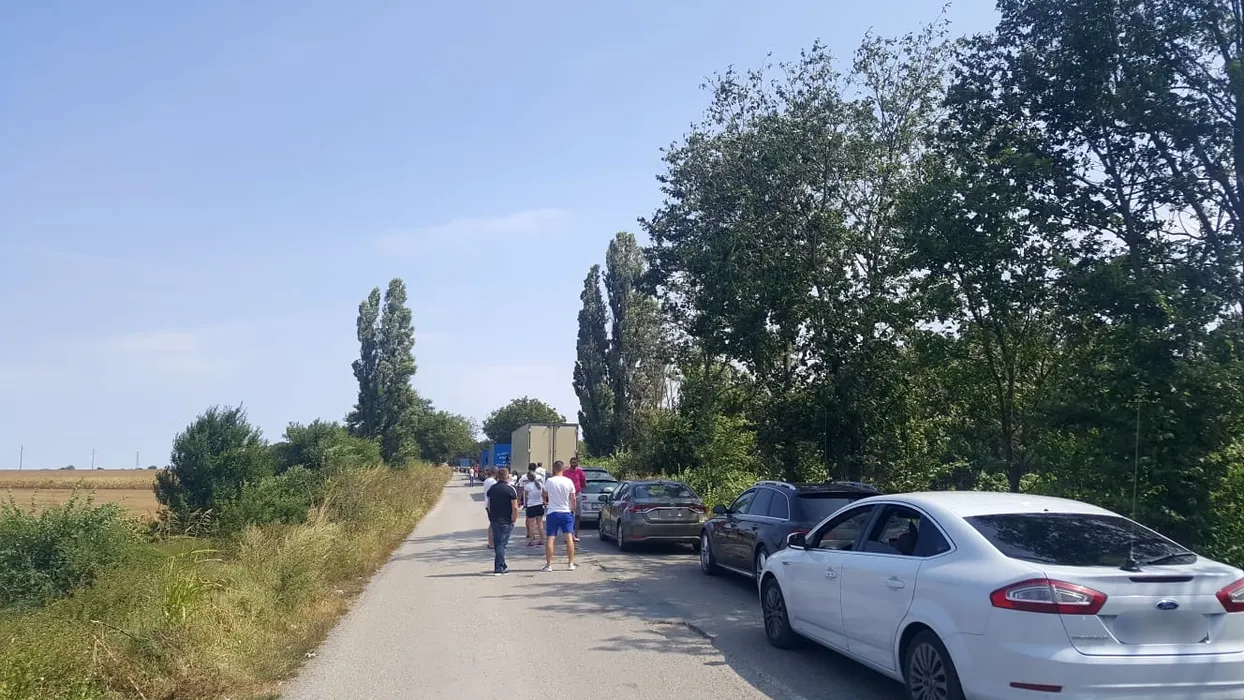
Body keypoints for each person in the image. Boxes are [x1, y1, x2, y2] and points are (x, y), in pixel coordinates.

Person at [541, 461, 577, 572]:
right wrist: (573, 509)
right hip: (566, 512)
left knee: (550, 538)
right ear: (563, 469)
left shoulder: (549, 481)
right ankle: (570, 564)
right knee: (569, 537)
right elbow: (573, 498)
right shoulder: (568, 481)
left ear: (553, 469)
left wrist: (545, 501)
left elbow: (544, 493)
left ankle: (548, 565)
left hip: (552, 512)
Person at [485, 468, 519, 575]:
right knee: (502, 544)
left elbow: (489, 505)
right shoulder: (510, 489)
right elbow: (515, 507)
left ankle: (502, 563)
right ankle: (498, 567)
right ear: (507, 477)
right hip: (506, 520)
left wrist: (491, 516)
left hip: (495, 519)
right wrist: (514, 518)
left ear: (498, 476)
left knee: (498, 542)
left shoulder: (492, 489)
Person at [563, 456, 588, 542]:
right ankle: (568, 535)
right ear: (570, 463)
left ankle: (575, 534)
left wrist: (580, 487)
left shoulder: (580, 472)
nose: (574, 464)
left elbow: (584, 483)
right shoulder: (566, 472)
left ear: (577, 463)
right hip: (568, 496)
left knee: (577, 515)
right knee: (568, 515)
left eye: (575, 462)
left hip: (577, 494)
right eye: (572, 462)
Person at [520, 464, 545, 546]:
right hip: (539, 504)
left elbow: (526, 497)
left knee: (532, 525)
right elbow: (543, 494)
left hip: (531, 506)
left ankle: (532, 541)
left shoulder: (527, 486)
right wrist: (544, 501)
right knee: (540, 523)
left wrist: (525, 504)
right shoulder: (539, 485)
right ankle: (542, 540)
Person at [481, 468, 498, 548]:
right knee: (493, 524)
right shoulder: (493, 482)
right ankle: (492, 543)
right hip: (492, 504)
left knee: (492, 523)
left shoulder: (486, 481)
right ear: (495, 473)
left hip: (487, 503)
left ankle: (490, 542)